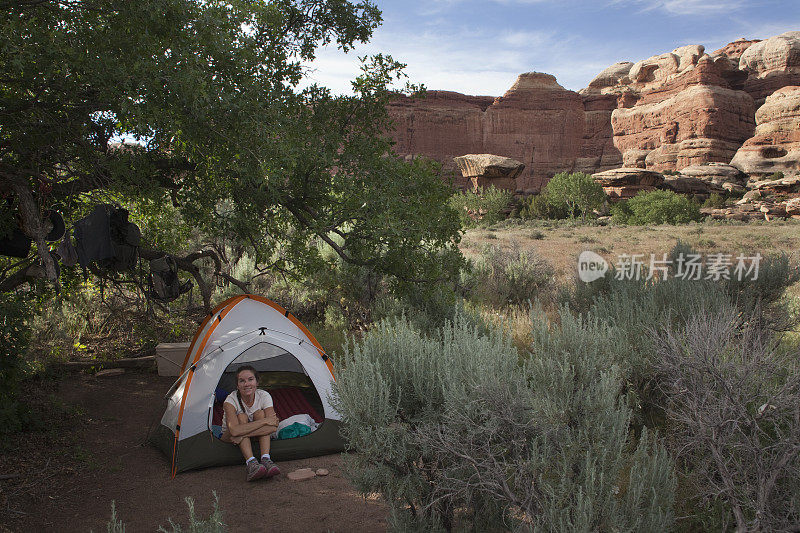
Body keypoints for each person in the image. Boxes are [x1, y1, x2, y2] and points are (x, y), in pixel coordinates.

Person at [220, 365, 281, 481]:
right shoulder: (230, 400)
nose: (247, 384)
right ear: (237, 385)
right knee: (242, 417)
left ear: (257, 382)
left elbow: (273, 426)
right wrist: (264, 421)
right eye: (242, 381)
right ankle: (251, 463)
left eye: (250, 379)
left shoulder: (264, 396)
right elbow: (233, 431)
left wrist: (241, 434)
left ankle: (265, 459)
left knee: (259, 414)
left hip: (240, 436)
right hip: (228, 436)